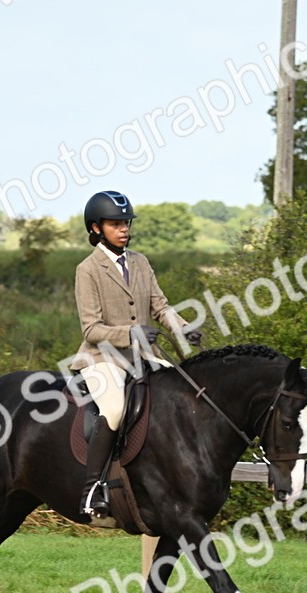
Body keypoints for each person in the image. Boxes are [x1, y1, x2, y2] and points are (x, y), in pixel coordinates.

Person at [73, 189, 201, 519]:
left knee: (186, 393)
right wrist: (130, 333)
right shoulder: (87, 270)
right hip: (101, 358)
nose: (124, 229)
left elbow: (160, 306)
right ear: (96, 228)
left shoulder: (141, 262)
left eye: (126, 223)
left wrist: (183, 328)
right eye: (116, 224)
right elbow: (91, 329)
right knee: (114, 409)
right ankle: (92, 489)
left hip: (145, 355)